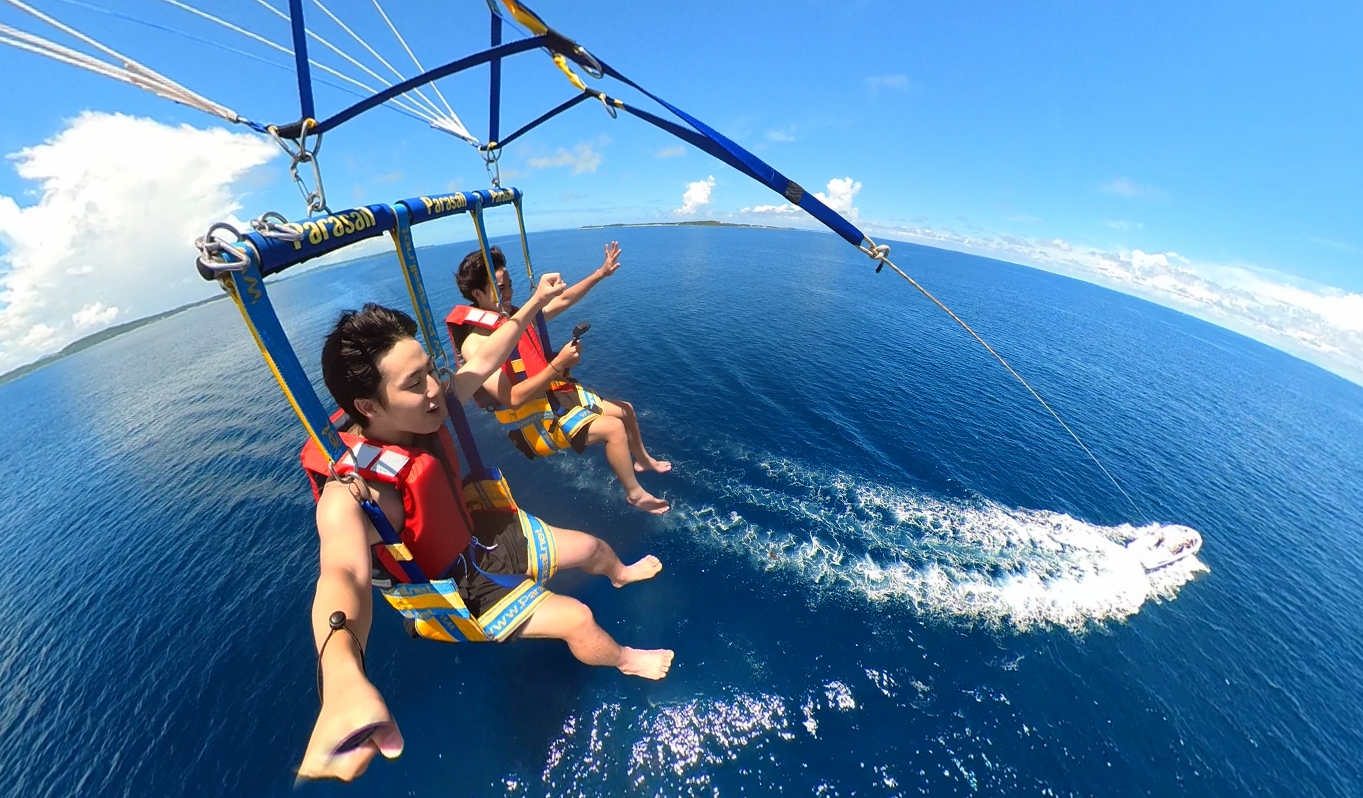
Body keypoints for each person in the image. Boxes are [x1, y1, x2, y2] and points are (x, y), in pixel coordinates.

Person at [296, 274, 673, 782]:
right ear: (367, 407)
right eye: (414, 384)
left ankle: (621, 574)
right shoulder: (357, 491)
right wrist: (341, 672)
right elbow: (343, 574)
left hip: (482, 535)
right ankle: (626, 659)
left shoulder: (428, 408)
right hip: (458, 587)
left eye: (429, 371)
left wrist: (536, 301)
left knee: (594, 548)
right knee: (578, 620)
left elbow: (484, 359)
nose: (435, 389)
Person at [448, 241, 671, 514]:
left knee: (626, 410)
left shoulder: (514, 317)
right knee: (613, 429)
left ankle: (643, 460)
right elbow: (513, 398)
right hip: (533, 422)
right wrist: (558, 364)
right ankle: (635, 494)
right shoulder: (475, 343)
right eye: (501, 288)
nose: (509, 293)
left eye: (509, 285)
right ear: (477, 293)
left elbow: (563, 300)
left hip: (554, 397)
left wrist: (600, 273)